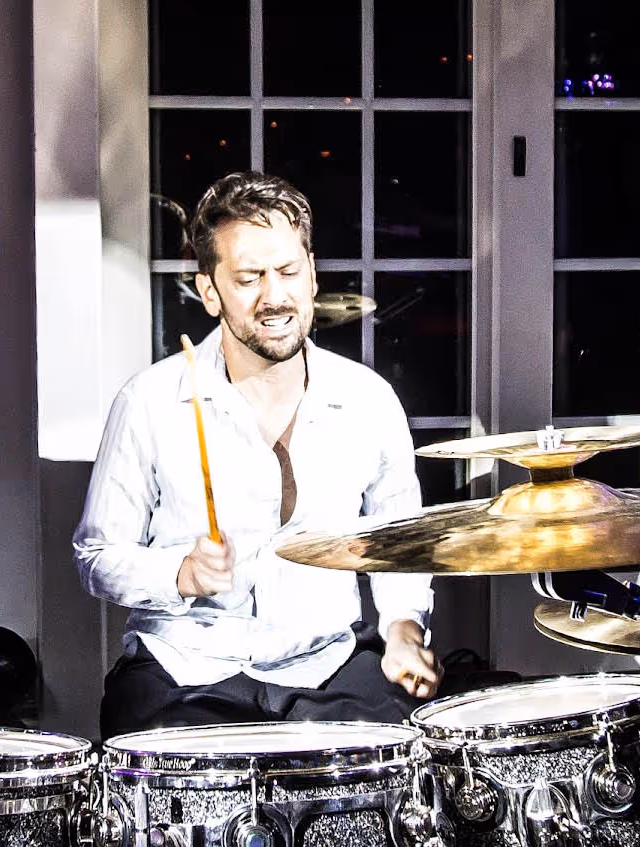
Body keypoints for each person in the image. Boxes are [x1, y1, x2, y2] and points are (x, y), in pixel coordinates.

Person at [74, 171, 440, 740]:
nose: (275, 297)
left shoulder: (368, 400)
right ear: (209, 291)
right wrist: (179, 573)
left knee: (390, 782)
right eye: (249, 279)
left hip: (326, 663)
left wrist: (402, 630)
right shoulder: (148, 401)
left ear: (312, 274)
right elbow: (96, 555)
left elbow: (401, 545)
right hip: (184, 669)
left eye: (289, 272)